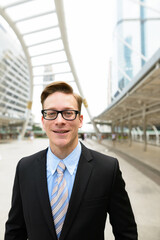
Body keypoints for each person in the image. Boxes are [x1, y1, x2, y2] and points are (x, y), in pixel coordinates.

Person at [5, 81, 138, 240]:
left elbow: (126, 232)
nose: (60, 121)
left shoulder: (107, 169)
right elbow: (15, 230)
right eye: (51, 113)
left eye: (68, 113)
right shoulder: (25, 168)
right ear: (43, 121)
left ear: (80, 120)